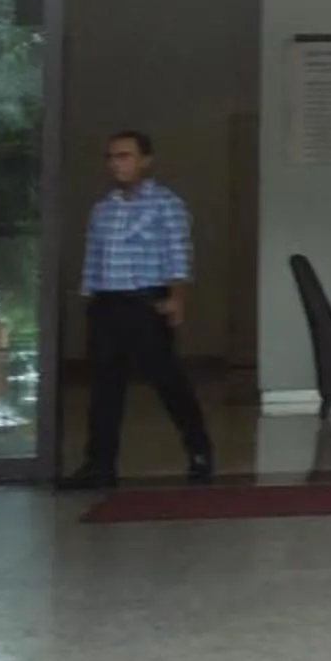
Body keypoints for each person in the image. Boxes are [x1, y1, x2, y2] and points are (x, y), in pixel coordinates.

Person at [58, 130, 215, 490]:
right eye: (112, 157)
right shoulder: (103, 209)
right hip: (107, 304)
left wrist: (177, 299)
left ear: (146, 160)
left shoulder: (166, 205)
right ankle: (99, 465)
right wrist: (91, 300)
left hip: (145, 303)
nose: (117, 164)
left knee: (168, 382)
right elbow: (95, 259)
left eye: (125, 156)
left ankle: (199, 450)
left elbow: (178, 254)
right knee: (104, 389)